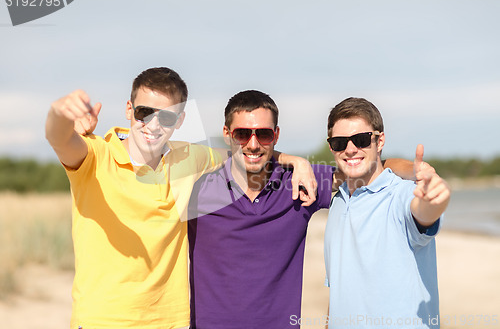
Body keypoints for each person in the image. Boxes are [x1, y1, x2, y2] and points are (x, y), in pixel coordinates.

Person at [46, 68, 314, 329]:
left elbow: (247, 153)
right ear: (129, 109)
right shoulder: (96, 155)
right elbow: (59, 139)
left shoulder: (187, 157)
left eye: (166, 118)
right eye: (144, 113)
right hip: (102, 320)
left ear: (180, 120)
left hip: (171, 321)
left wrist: (294, 160)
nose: (153, 125)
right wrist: (60, 114)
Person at [187, 91, 417, 328]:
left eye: (264, 134)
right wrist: (295, 159)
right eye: (242, 134)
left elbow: (370, 168)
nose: (253, 144)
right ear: (227, 134)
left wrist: (419, 170)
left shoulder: (299, 183)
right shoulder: (198, 188)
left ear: (276, 135)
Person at [323, 97, 451, 328]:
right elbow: (338, 292)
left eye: (361, 140)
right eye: (340, 142)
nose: (350, 150)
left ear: (379, 140)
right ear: (331, 146)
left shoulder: (401, 194)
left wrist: (433, 201)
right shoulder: (338, 202)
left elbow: (421, 214)